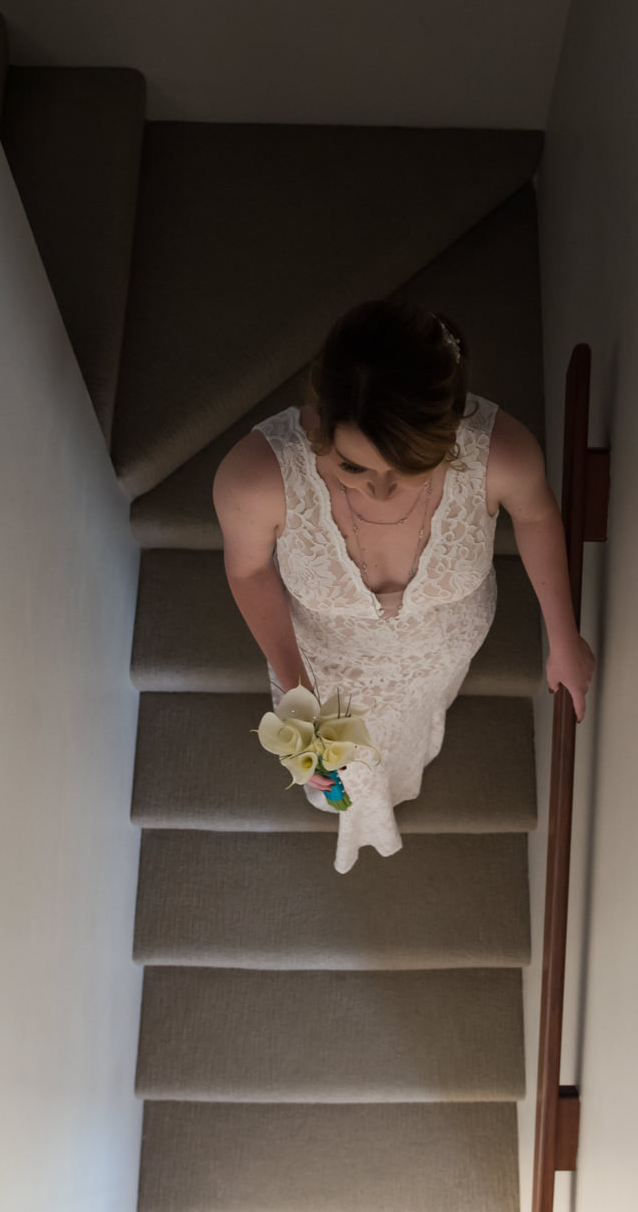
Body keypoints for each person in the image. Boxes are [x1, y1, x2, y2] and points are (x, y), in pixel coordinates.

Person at [213, 299, 596, 874]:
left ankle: (409, 757)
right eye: (353, 468)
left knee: (416, 721)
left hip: (441, 651)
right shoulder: (255, 479)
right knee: (335, 768)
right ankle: (342, 790)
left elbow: (539, 517)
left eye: (411, 467)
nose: (382, 493)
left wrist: (564, 638)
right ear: (324, 421)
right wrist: (301, 699)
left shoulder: (503, 455)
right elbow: (247, 570)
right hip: (325, 659)